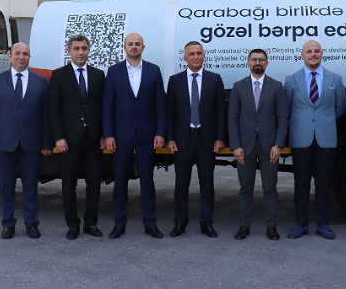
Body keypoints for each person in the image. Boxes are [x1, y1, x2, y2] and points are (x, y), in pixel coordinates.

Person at [0, 43, 52, 239]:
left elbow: (46, 115)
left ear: (29, 57)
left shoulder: (40, 82)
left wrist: (46, 143)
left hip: (31, 143)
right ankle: (8, 224)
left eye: (25, 54)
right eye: (17, 54)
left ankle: (31, 224)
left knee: (31, 187)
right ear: (9, 56)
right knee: (6, 187)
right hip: (5, 143)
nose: (21, 57)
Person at [102, 32, 166, 239]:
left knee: (147, 181)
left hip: (147, 134)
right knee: (120, 181)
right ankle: (119, 224)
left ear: (143, 47)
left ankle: (150, 223)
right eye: (130, 44)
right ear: (125, 47)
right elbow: (108, 105)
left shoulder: (154, 71)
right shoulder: (114, 71)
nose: (134, 47)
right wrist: (108, 134)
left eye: (137, 44)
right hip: (121, 134)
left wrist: (160, 132)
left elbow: (160, 104)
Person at [283, 40, 346, 240]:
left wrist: (324, 120)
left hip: (325, 139)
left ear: (322, 54)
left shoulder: (335, 79)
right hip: (301, 139)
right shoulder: (291, 80)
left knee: (323, 184)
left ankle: (323, 224)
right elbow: (286, 109)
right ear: (302, 55)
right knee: (301, 184)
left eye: (317, 51)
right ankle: (301, 224)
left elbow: (341, 106)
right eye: (309, 51)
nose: (313, 54)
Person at [165, 41, 226, 238]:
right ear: (185, 57)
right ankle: (180, 222)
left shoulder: (214, 79)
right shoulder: (175, 81)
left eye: (199, 53)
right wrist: (170, 138)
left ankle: (206, 223)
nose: (196, 57)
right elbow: (170, 112)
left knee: (207, 185)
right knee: (181, 185)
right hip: (183, 141)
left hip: (206, 141)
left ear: (204, 55)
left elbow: (221, 111)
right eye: (191, 54)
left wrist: (220, 138)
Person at [47, 34, 106, 240]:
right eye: (76, 48)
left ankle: (91, 223)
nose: (81, 52)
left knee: (94, 184)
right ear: (69, 51)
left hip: (93, 139)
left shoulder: (98, 75)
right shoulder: (59, 75)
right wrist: (58, 137)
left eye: (84, 48)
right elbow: (53, 109)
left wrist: (104, 134)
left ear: (88, 50)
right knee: (69, 185)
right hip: (69, 141)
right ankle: (72, 225)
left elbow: (104, 107)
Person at [228, 49, 289, 240]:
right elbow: (232, 118)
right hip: (244, 146)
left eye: (261, 59)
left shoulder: (276, 86)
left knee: (270, 188)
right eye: (254, 59)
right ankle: (244, 226)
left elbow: (283, 117)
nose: (257, 62)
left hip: (269, 146)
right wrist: (235, 146)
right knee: (245, 189)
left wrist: (279, 144)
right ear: (248, 63)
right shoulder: (238, 87)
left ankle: (271, 227)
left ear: (267, 63)